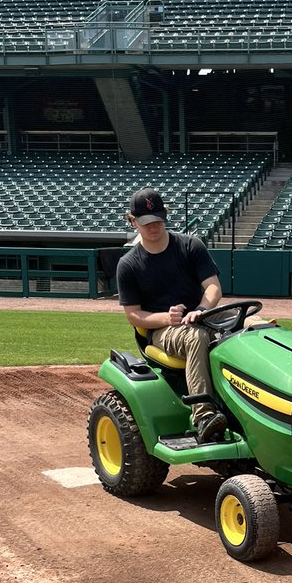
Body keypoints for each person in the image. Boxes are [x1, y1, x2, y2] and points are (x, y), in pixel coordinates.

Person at [116, 187, 228, 443]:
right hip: (162, 330)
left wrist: (200, 309)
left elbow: (213, 287)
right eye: (145, 222)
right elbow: (134, 316)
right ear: (133, 221)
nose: (152, 226)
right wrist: (168, 318)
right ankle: (203, 416)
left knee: (254, 324)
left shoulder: (190, 246)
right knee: (195, 338)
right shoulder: (129, 265)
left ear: (165, 215)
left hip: (203, 314)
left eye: (157, 220)